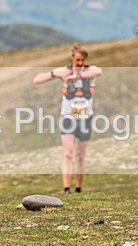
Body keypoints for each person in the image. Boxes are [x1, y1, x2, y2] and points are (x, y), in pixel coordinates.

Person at [33, 43, 103, 193]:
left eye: (82, 60)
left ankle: (78, 187)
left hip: (85, 118)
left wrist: (77, 76)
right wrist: (55, 74)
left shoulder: (90, 71)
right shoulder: (64, 71)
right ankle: (66, 188)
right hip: (68, 117)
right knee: (68, 153)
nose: (80, 63)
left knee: (80, 155)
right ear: (72, 58)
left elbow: (99, 71)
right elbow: (37, 80)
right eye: (77, 60)